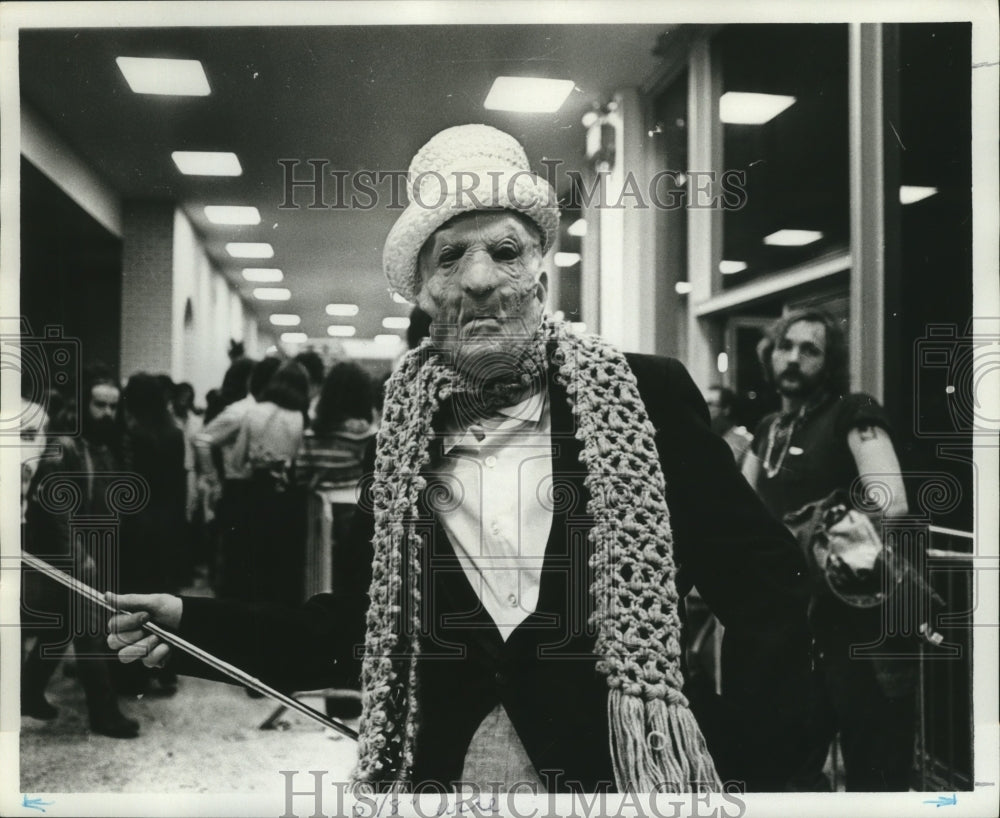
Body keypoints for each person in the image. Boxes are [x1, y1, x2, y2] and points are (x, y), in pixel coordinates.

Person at [108, 124, 812, 792]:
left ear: (540, 273)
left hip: (620, 780)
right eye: (450, 257)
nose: (478, 278)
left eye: (504, 252)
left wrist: (765, 770)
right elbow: (361, 629)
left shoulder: (645, 396)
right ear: (425, 292)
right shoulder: (400, 446)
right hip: (448, 779)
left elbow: (768, 592)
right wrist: (192, 626)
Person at [741, 309, 915, 791]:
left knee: (875, 773)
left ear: (829, 360)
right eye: (785, 346)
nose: (793, 358)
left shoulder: (852, 412)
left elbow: (891, 501)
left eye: (809, 349)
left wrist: (817, 529)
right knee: (787, 770)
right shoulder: (767, 429)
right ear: (770, 355)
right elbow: (741, 512)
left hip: (855, 623)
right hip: (790, 628)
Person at [22, 365, 140, 738]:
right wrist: (81, 559)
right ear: (83, 404)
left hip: (89, 550)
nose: (106, 413)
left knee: (60, 629)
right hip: (71, 556)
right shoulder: (67, 444)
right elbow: (58, 512)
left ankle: (25, 691)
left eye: (112, 406)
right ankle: (104, 714)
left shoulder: (102, 444)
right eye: (98, 405)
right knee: (89, 632)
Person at [230, 360, 309, 607]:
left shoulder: (254, 412)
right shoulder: (301, 417)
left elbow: (236, 460)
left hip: (256, 493)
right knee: (284, 569)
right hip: (289, 498)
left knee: (254, 565)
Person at [703, 386, 753, 467]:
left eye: (710, 404)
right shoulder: (703, 439)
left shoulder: (745, 442)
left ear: (726, 409)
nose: (704, 409)